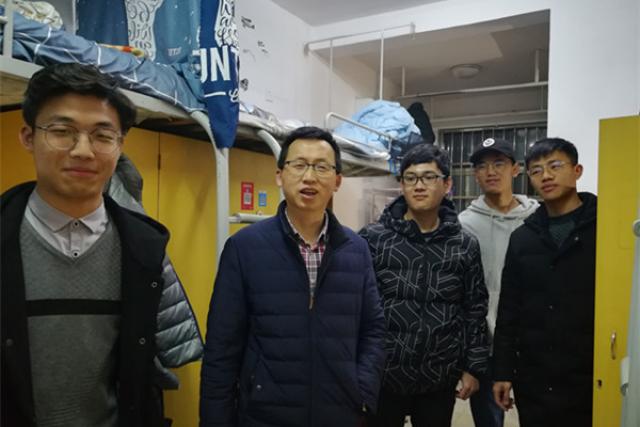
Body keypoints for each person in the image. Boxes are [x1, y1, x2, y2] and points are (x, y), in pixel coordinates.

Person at [1, 63, 202, 427]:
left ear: (120, 145)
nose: (83, 150)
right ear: (28, 137)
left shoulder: (145, 249)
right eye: (62, 131)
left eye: (102, 136)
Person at [199, 126, 386, 427]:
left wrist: (362, 392)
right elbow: (222, 346)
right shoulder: (245, 247)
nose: (309, 177)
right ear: (279, 175)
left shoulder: (356, 249)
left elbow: (373, 330)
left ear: (337, 181)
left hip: (340, 414)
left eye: (321, 167)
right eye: (298, 165)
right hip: (265, 415)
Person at [360, 144, 489, 427]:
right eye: (410, 178)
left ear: (447, 184)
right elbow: (356, 307)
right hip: (383, 374)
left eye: (429, 177)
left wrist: (473, 367)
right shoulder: (373, 239)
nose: (419, 186)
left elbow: (475, 308)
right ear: (402, 185)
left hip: (439, 376)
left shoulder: (463, 245)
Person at [492, 138, 597, 427]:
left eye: (555, 166)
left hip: (592, 373)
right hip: (536, 376)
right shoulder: (523, 237)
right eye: (536, 171)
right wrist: (503, 371)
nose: (546, 176)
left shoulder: (605, 227)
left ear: (577, 170)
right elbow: (509, 309)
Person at [458, 138, 539, 427]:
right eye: (482, 166)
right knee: (489, 420)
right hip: (486, 343)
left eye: (499, 163)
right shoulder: (464, 224)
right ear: (475, 175)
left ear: (516, 169)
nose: (491, 171)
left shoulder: (536, 219)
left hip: (532, 339)